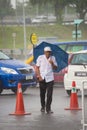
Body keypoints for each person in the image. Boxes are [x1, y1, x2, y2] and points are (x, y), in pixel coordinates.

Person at [36, 46, 58, 114]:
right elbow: (37, 67)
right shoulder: (40, 57)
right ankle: (43, 106)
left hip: (50, 78)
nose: (48, 53)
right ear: (44, 52)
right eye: (47, 52)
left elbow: (55, 68)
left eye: (49, 52)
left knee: (49, 94)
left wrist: (52, 63)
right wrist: (39, 76)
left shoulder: (53, 58)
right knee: (42, 93)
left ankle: (48, 108)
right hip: (42, 77)